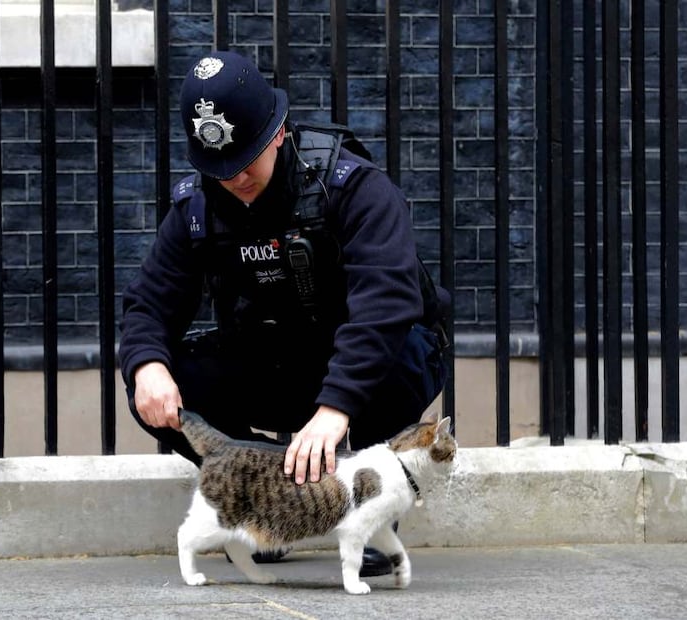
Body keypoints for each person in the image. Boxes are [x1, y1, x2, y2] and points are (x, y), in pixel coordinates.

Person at [118, 50, 450, 574]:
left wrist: (336, 407)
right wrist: (146, 366)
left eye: (246, 161)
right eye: (219, 168)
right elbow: (148, 304)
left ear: (277, 133)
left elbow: (386, 302)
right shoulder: (197, 208)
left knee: (404, 351)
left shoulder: (351, 186)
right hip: (280, 355)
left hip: (366, 364)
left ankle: (359, 507)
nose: (235, 179)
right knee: (162, 381)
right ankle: (272, 503)